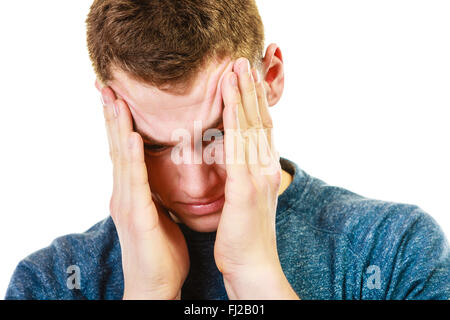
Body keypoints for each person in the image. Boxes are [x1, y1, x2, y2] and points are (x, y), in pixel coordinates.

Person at [5, 0, 450, 300]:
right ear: (112, 115)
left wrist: (255, 276)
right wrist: (150, 290)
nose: (196, 182)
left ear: (271, 77)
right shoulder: (51, 282)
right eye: (157, 145)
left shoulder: (393, 250)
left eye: (218, 133)